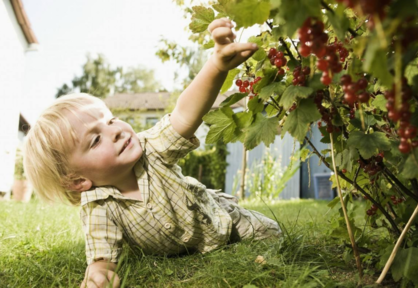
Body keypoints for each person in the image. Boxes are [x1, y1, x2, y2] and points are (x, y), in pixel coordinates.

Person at [23, 19, 282, 288]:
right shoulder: (98, 207)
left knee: (272, 234)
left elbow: (184, 113)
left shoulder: (151, 148)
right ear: (78, 181)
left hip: (221, 219)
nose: (116, 131)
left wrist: (215, 66)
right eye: (96, 139)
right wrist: (99, 275)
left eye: (111, 120)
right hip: (185, 246)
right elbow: (103, 257)